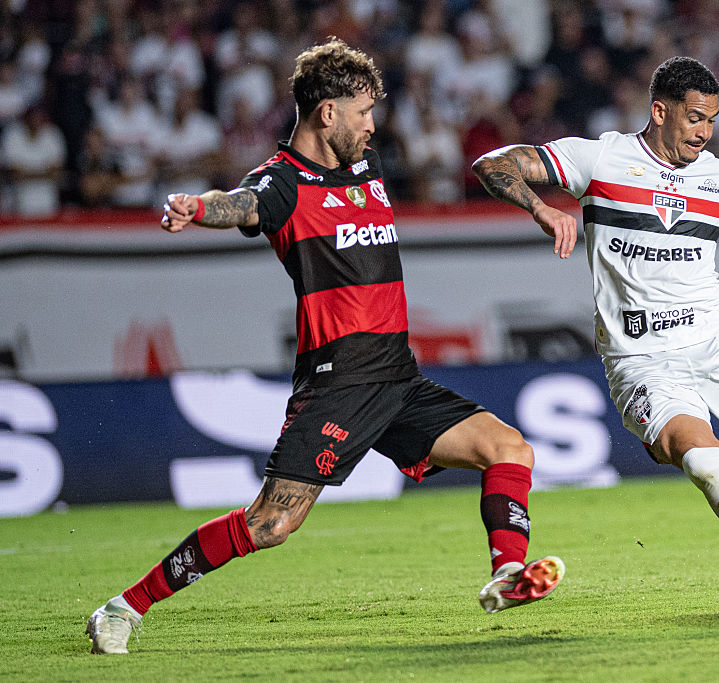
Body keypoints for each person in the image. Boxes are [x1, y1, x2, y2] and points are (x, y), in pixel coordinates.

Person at [86, 38, 564, 655]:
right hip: (337, 384)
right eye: (362, 113)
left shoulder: (367, 167)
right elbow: (240, 204)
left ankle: (506, 573)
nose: (372, 126)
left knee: (509, 448)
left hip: (397, 378)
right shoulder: (282, 183)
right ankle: (123, 608)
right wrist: (196, 207)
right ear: (327, 113)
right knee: (270, 523)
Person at [472, 56, 719, 609]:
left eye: (712, 120)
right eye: (694, 118)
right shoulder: (601, 159)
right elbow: (492, 164)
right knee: (700, 455)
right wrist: (542, 209)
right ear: (660, 112)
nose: (704, 132)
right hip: (642, 360)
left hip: (717, 341)